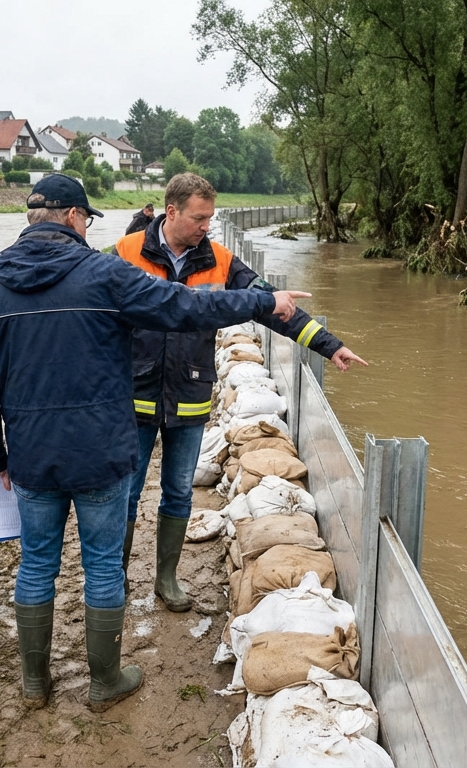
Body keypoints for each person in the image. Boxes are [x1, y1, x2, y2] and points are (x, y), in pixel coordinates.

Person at [0, 173, 312, 712]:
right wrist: (264, 300)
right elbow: (185, 306)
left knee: (36, 564)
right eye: (85, 218)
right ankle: (105, 681)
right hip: (101, 449)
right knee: (103, 565)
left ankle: (35, 683)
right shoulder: (104, 273)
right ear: (74, 217)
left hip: (31, 451)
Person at [113, 172, 367, 612]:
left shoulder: (220, 259)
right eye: (199, 218)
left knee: (178, 491)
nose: (206, 226)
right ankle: (114, 577)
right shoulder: (126, 251)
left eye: (210, 218)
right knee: (125, 492)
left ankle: (166, 578)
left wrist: (328, 345)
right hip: (133, 393)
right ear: (171, 212)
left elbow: (272, 305)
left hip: (189, 393)